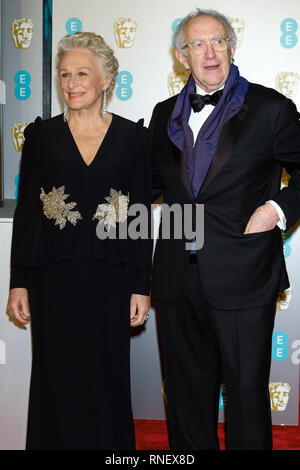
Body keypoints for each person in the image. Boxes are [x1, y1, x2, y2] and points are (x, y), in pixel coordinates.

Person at [150, 9, 300, 450]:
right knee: (185, 398)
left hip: (244, 274)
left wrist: (275, 208)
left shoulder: (271, 108)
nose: (209, 52)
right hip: (178, 277)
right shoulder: (162, 116)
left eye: (217, 41)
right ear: (182, 56)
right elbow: (147, 185)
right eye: (197, 44)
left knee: (247, 396)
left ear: (232, 47)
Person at [7, 32, 152, 450]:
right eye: (65, 74)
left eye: (82, 73)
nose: (71, 82)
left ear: (107, 79)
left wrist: (142, 284)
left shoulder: (133, 139)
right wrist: (19, 279)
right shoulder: (40, 137)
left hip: (111, 279)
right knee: (56, 375)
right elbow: (28, 214)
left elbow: (140, 215)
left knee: (107, 376)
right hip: (53, 279)